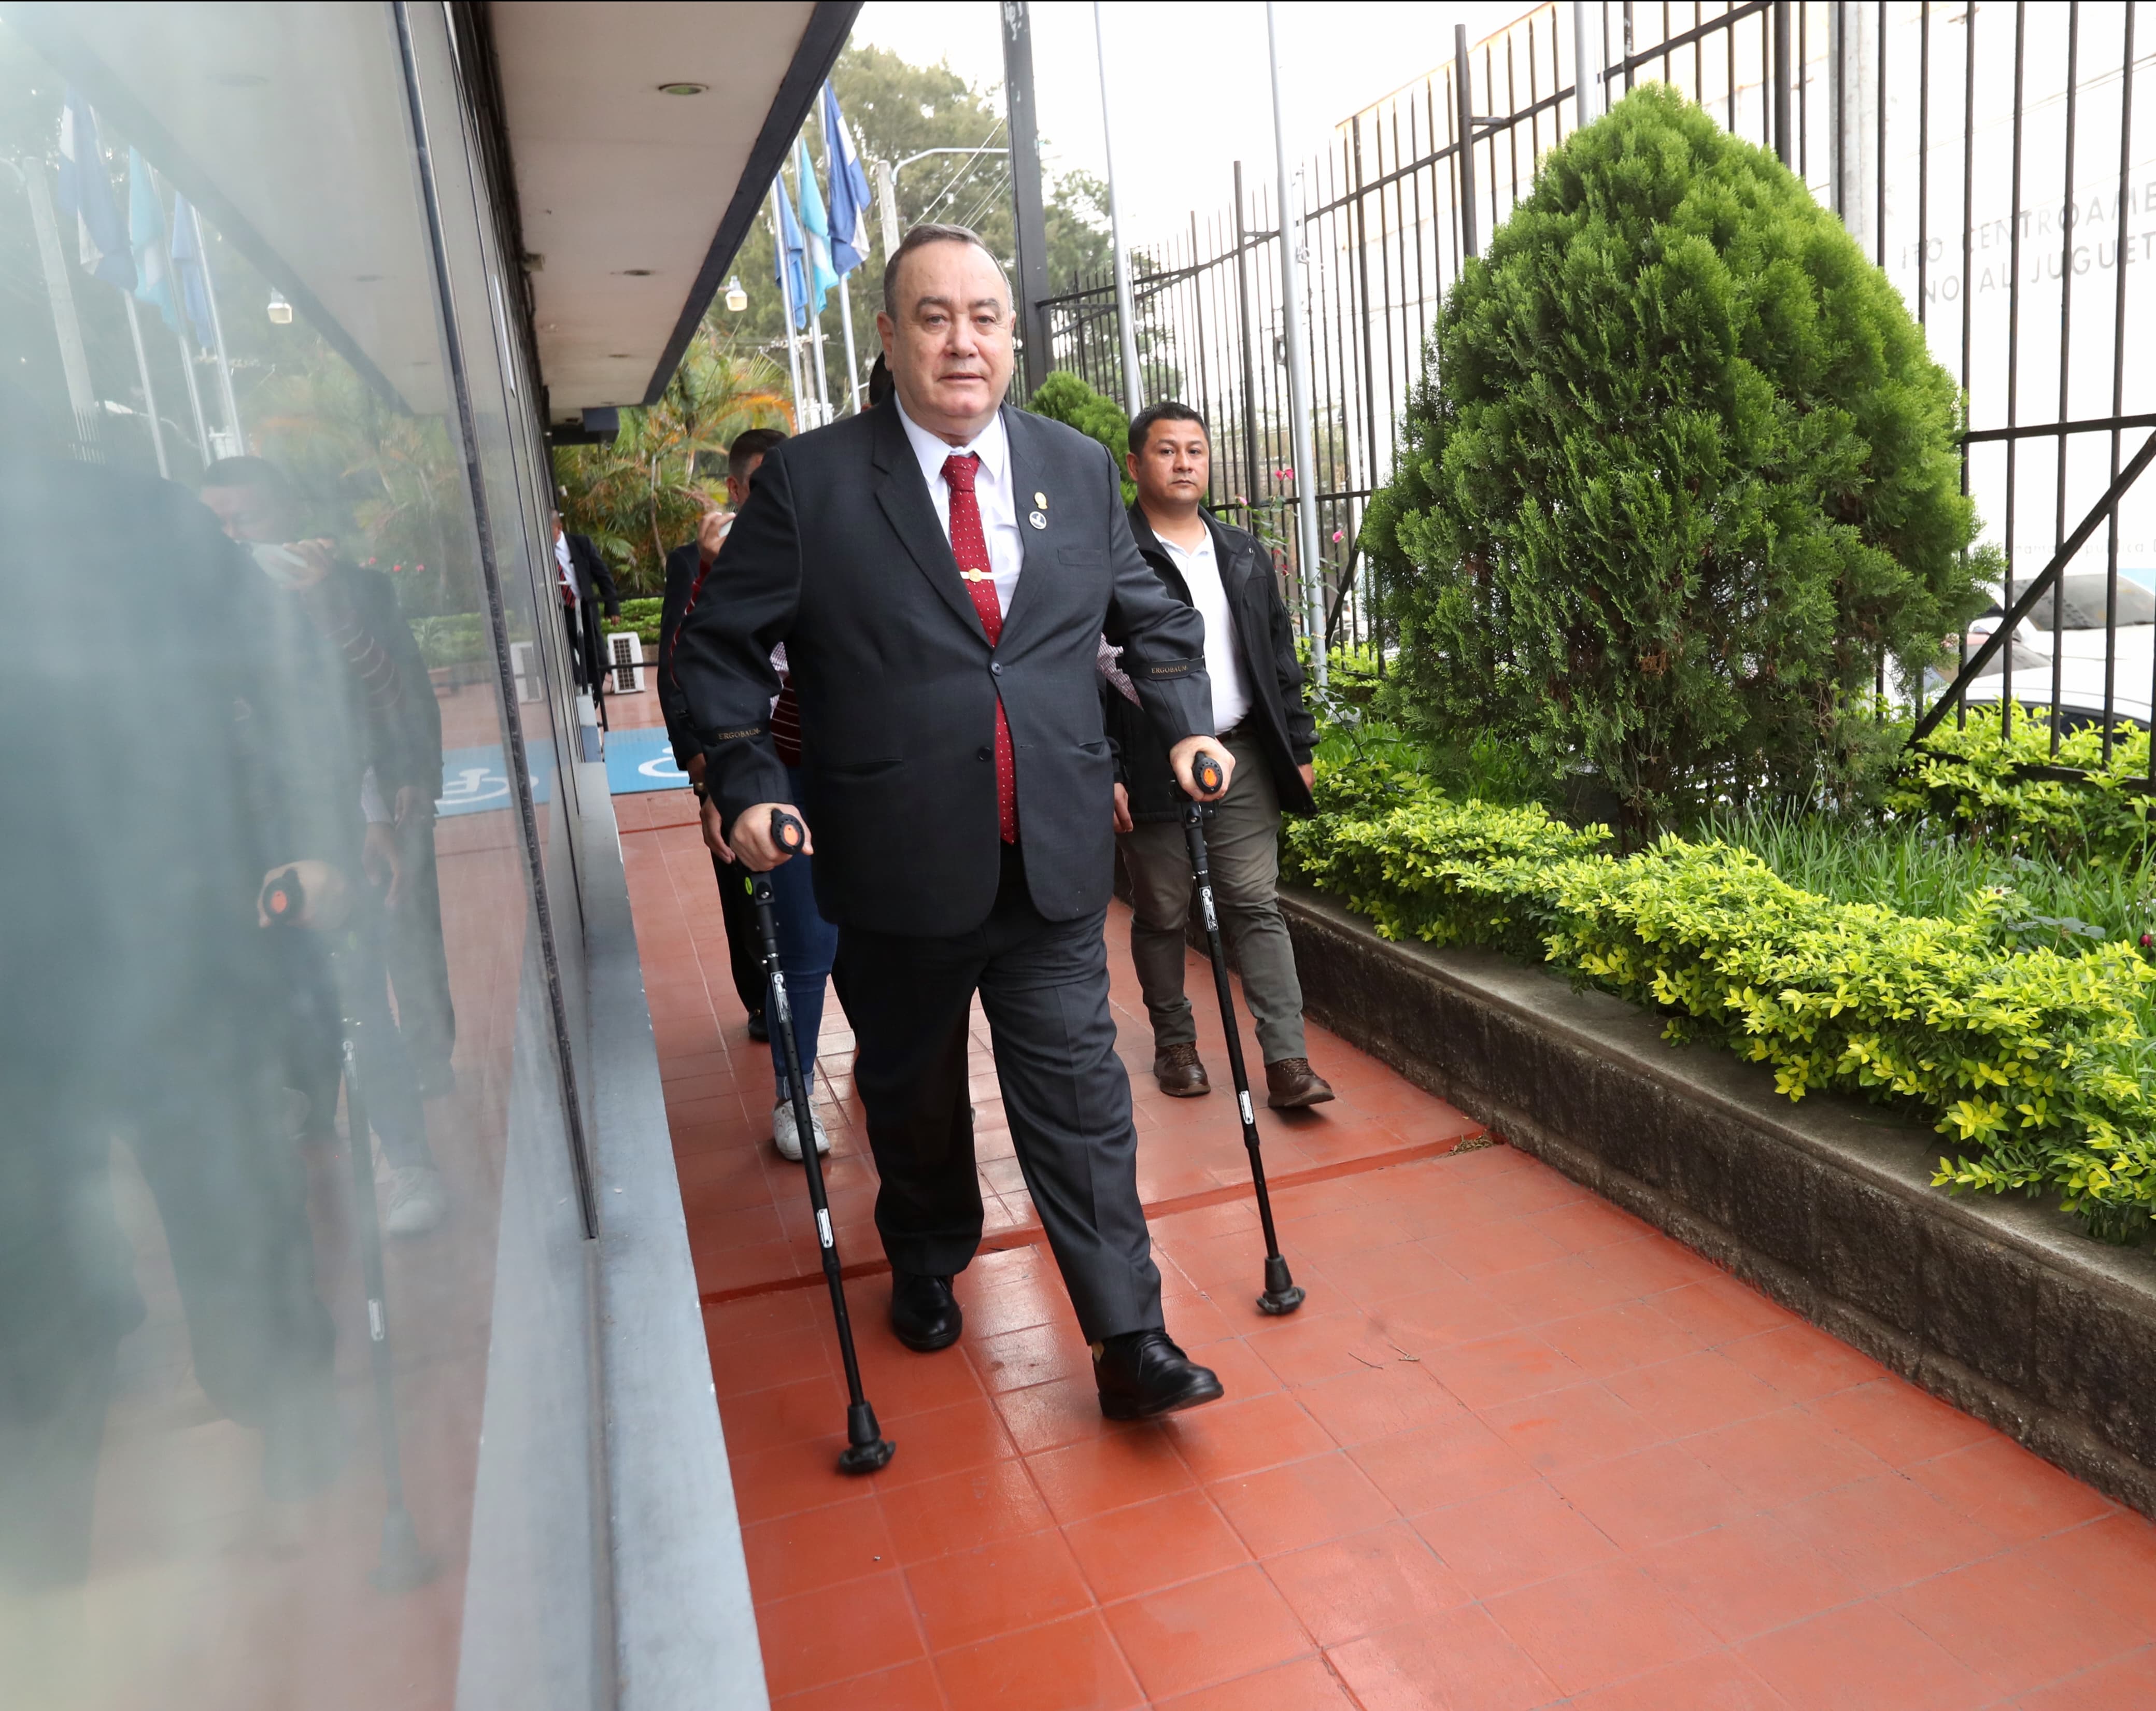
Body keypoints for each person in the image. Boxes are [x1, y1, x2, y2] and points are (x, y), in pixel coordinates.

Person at [675, 222, 1233, 1421]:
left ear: (1013, 335)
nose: (961, 341)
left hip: (1051, 854)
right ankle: (927, 1252)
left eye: (983, 316)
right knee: (914, 1090)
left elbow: (1151, 614)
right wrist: (742, 778)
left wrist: (1183, 720)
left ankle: (1129, 1334)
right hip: (893, 862)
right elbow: (719, 650)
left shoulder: (1076, 470)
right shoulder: (815, 485)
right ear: (889, 337)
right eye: (933, 316)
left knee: (1081, 1095)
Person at [198, 458, 449, 1235]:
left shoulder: (344, 594)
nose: (238, 539)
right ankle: (297, 1123)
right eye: (220, 525)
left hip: (331, 822)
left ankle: (404, 1157)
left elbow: (386, 695)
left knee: (358, 989)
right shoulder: (192, 607)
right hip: (225, 837)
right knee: (270, 998)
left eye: (251, 520)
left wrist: (399, 791)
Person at [1107, 404, 1334, 1108]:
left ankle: (1288, 1061)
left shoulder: (1241, 551)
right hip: (1149, 763)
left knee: (1256, 904)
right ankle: (1176, 1044)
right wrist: (1106, 767)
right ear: (1134, 464)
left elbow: (1277, 658)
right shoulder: (1113, 558)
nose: (1184, 463)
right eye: (1167, 450)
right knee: (1163, 911)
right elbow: (1085, 671)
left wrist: (1296, 745)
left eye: (1196, 451)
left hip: (1241, 757)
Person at [656, 429, 788, 1048]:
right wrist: (706, 770)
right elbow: (679, 669)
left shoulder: (812, 542)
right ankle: (762, 1000)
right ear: (734, 489)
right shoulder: (692, 562)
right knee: (743, 883)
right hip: (730, 756)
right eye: (761, 485)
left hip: (803, 748)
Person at [552, 514, 621, 700]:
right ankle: (580, 698)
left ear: (559, 527)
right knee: (567, 662)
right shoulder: (537, 552)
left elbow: (603, 575)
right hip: (557, 613)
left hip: (583, 608)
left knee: (600, 659)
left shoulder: (581, 544)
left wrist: (612, 607)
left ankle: (593, 700)